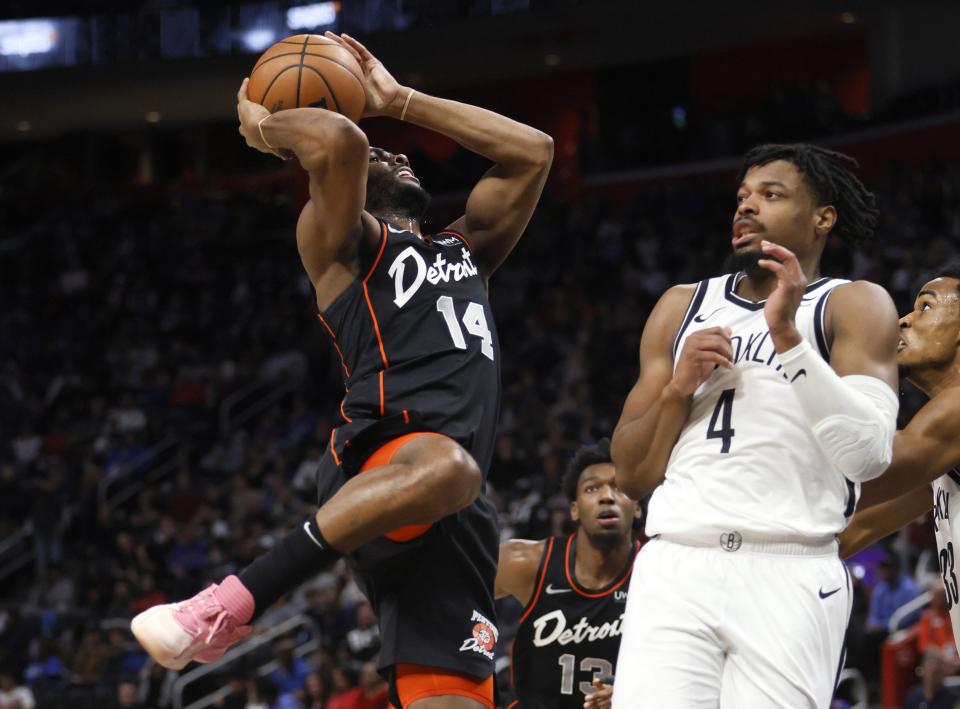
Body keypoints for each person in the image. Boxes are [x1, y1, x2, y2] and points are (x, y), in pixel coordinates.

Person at [131, 31, 553, 709]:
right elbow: (340, 143)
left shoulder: (465, 251)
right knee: (451, 469)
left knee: (456, 696)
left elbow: (534, 151)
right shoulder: (339, 242)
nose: (395, 149)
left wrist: (399, 99)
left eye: (398, 147)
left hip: (455, 500)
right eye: (383, 148)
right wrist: (267, 126)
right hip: (383, 451)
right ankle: (223, 606)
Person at [610, 143, 900, 708]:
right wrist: (677, 390)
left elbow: (867, 455)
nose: (747, 207)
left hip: (790, 566)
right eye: (742, 196)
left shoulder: (855, 305)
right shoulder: (681, 307)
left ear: (822, 218)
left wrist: (788, 338)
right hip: (677, 563)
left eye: (771, 195)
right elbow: (630, 473)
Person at [837, 262, 960, 635]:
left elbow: (869, 472)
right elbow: (853, 528)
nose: (904, 320)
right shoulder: (938, 461)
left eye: (926, 307)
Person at [495, 440, 640, 709]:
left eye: (618, 487)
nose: (606, 496)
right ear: (574, 509)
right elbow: (450, 591)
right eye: (592, 488)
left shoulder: (658, 572)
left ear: (638, 506)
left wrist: (633, 693)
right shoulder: (525, 562)